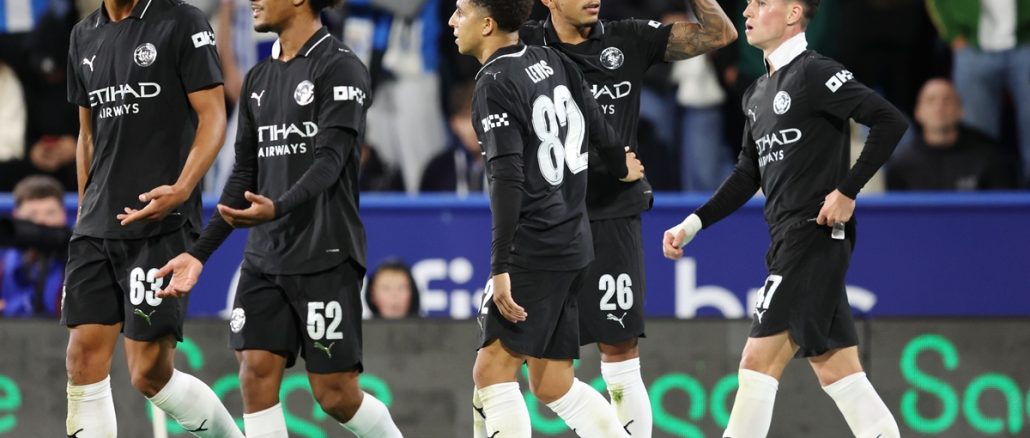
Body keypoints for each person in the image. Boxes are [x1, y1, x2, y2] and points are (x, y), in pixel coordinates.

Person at [155, 0, 403, 435]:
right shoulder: (258, 79)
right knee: (255, 373)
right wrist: (198, 255)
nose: (253, 1)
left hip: (325, 252)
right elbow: (243, 177)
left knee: (335, 395)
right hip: (265, 259)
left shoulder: (341, 68)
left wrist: (279, 207)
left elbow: (329, 163)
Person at [661, 0, 908, 436]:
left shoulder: (815, 72)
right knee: (839, 371)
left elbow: (888, 121)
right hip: (785, 239)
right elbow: (746, 175)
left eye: (761, 2)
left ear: (794, 13)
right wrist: (692, 224)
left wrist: (848, 190)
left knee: (756, 362)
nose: (748, 11)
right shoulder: (756, 93)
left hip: (812, 237)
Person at [517, 1, 737, 435]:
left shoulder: (627, 37)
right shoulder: (525, 45)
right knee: (536, 371)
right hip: (547, 220)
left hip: (612, 217)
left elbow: (720, 35)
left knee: (618, 349)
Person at [450, 0, 645, 436]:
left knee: (492, 374)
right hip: (573, 242)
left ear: (486, 24)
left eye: (460, 12)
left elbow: (507, 179)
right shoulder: (549, 58)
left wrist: (501, 266)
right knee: (551, 383)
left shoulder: (493, 82)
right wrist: (619, 164)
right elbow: (596, 122)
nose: (451, 21)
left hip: (534, 245)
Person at [62, 0, 239, 435]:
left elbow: (214, 117)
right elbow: (86, 136)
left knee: (149, 374)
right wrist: (85, 213)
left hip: (160, 224)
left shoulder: (182, 21)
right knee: (81, 358)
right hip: (95, 226)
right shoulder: (83, 34)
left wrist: (181, 189)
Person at [926, 0, 1030, 187]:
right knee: (977, 133)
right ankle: (981, 200)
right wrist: (952, 34)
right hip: (972, 46)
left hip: (1025, 42)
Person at [887, 78, 1016, 191]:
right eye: (931, 100)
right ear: (918, 112)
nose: (939, 106)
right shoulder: (901, 164)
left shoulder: (988, 158)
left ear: (961, 111)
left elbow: (1003, 211)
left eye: (947, 100)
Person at [1, 175, 68, 317]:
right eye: (32, 214)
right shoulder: (3, 262)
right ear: (16, 216)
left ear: (63, 215)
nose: (42, 221)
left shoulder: (80, 259)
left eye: (50, 213)